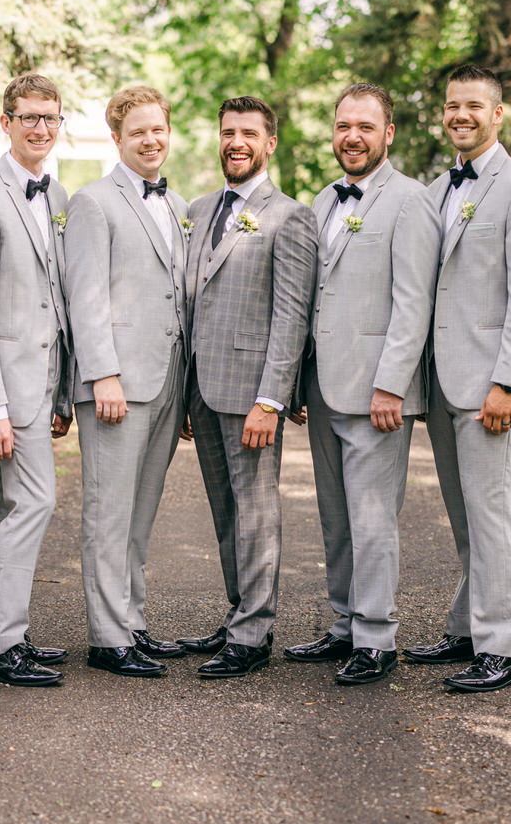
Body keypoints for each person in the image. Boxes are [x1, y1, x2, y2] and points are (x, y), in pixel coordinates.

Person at [401, 64, 511, 693]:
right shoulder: (439, 188)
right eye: (451, 106)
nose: (459, 115)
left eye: (472, 106)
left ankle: (504, 650)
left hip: (493, 387)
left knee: (495, 518)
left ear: (498, 114)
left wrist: (510, 382)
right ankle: (468, 628)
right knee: (467, 519)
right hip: (444, 383)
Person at [284, 83, 438, 685]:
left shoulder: (411, 201)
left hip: (377, 391)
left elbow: (413, 302)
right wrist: (299, 381)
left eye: (365, 127)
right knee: (336, 516)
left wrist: (392, 386)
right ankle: (345, 623)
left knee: (373, 517)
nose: (352, 136)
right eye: (344, 125)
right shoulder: (322, 200)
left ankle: (377, 638)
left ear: (388, 133)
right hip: (324, 387)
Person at [177, 96, 317, 678]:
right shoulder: (200, 208)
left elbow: (291, 317)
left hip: (252, 393)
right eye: (229, 132)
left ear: (270, 144)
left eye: (249, 134)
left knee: (255, 509)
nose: (237, 142)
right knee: (225, 510)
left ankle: (254, 635)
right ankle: (238, 615)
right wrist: (186, 391)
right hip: (203, 390)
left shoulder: (290, 216)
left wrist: (272, 399)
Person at [0, 73, 74, 687]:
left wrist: (57, 392)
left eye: (50, 117)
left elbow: (51, 304)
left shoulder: (54, 196)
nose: (40, 128)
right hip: (6, 391)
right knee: (37, 501)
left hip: (37, 385)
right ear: (5, 122)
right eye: (28, 117)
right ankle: (4, 645)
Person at [64, 86, 190, 678]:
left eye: (158, 129)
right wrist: (102, 375)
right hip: (116, 384)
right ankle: (107, 636)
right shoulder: (93, 202)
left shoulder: (178, 205)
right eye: (137, 131)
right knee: (108, 512)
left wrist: (185, 390)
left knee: (140, 513)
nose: (150, 140)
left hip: (167, 381)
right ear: (117, 138)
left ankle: (133, 622)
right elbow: (84, 297)